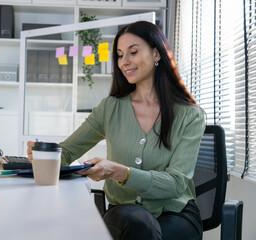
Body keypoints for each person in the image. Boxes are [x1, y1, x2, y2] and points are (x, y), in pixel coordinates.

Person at [27, 21, 205, 240]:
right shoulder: (110, 108)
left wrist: (121, 173)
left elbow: (177, 184)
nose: (124, 62)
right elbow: (67, 152)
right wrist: (44, 156)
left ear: (157, 54)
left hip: (176, 212)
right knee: (140, 225)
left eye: (133, 52)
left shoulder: (190, 115)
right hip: (125, 212)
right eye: (120, 55)